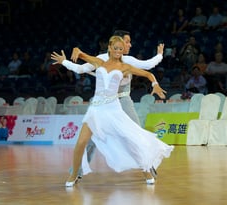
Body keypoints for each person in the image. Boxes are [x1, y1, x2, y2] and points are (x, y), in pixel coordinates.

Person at [51, 36, 174, 186]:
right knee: (81, 142)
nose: (118, 51)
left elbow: (148, 73)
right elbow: (79, 62)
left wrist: (155, 83)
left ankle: (147, 170)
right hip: (96, 110)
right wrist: (66, 59)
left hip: (114, 109)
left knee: (130, 139)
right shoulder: (99, 62)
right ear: (109, 47)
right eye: (115, 48)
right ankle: (74, 174)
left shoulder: (125, 67)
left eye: (120, 49)